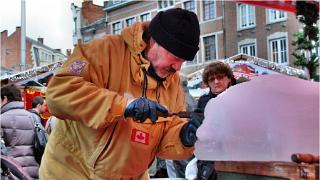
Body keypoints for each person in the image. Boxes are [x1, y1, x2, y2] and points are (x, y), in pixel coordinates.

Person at [40, 8, 203, 179]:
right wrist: (124, 106)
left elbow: (165, 137)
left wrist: (184, 135)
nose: (178, 67)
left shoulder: (173, 82)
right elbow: (60, 91)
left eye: (183, 61)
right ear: (154, 42)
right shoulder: (102, 50)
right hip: (73, 172)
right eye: (175, 57)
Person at [189, 62, 236, 180]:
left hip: (235, 158)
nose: (216, 82)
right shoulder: (203, 101)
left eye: (220, 77)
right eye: (211, 79)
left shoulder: (240, 97)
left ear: (228, 78)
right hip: (209, 160)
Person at [0, 84, 39, 178]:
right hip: (33, 170)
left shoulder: (1, 119)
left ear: (5, 98)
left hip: (13, 173)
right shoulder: (33, 117)